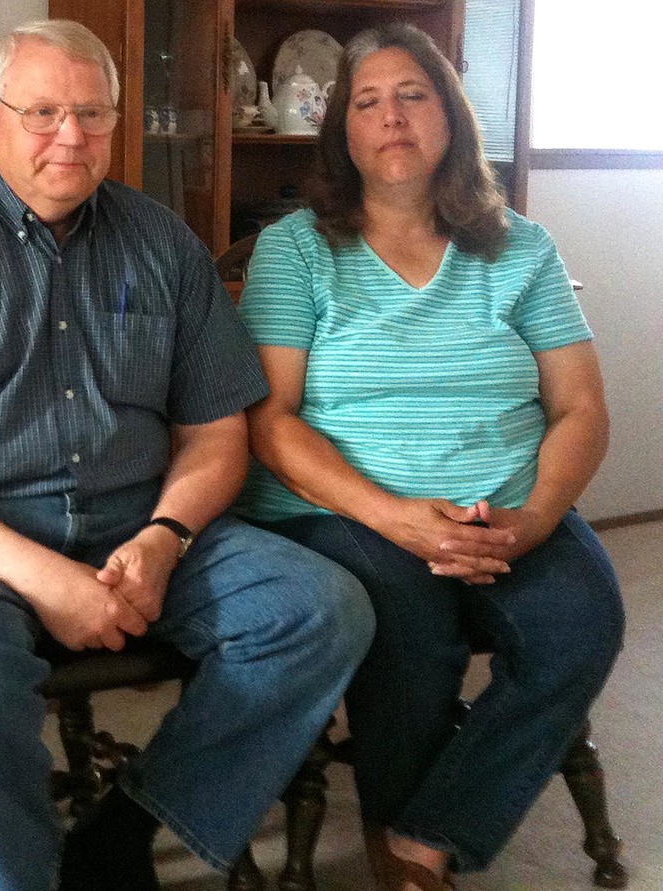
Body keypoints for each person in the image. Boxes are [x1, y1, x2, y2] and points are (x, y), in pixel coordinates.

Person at [0, 19, 374, 891]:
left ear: (114, 120)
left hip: (131, 522)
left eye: (92, 113)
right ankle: (35, 869)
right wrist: (44, 577)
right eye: (41, 112)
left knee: (321, 609)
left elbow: (217, 434)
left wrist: (166, 535)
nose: (69, 135)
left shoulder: (166, 245)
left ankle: (131, 828)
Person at [235, 23, 625, 891]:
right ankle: (397, 847)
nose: (392, 117)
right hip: (346, 506)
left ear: (450, 115)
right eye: (366, 102)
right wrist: (397, 518)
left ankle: (424, 837)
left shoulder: (522, 247)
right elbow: (273, 423)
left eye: (413, 94)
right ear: (343, 131)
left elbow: (581, 408)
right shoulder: (296, 250)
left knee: (582, 620)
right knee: (409, 622)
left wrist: (532, 522)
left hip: (506, 504)